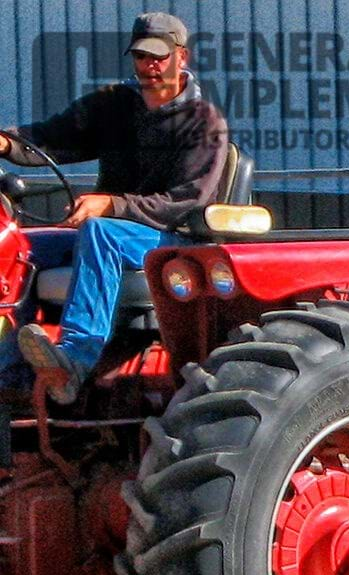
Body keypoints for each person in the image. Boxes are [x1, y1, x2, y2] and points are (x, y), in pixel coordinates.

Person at [0, 12, 228, 403]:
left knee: (100, 233)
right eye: (142, 57)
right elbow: (52, 137)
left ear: (182, 57)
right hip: (110, 232)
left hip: (171, 239)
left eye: (159, 56)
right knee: (20, 245)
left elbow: (184, 202)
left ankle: (75, 358)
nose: (150, 66)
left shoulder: (204, 123)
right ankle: (12, 372)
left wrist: (111, 204)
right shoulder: (113, 105)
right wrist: (7, 143)